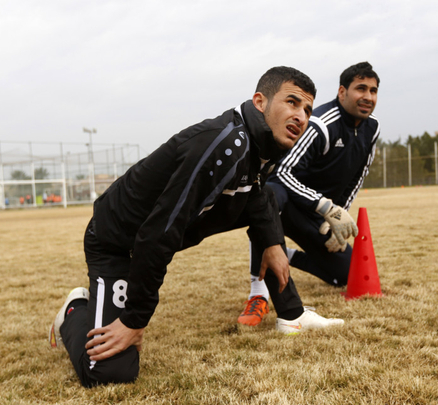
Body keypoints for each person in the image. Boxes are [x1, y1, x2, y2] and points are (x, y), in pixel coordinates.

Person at [49, 66, 344, 388]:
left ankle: (292, 314)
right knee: (110, 373)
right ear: (260, 101)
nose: (301, 116)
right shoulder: (224, 144)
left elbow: (258, 194)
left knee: (271, 199)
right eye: (292, 102)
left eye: (307, 109)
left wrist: (273, 244)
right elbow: (158, 232)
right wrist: (135, 320)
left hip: (153, 237)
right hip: (119, 242)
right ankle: (75, 309)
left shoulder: (266, 144)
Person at [238, 62, 380, 327]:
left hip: (315, 211)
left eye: (373, 90)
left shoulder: (372, 129)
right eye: (361, 89)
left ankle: (284, 253)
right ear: (342, 92)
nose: (368, 97)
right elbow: (283, 173)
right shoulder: (320, 124)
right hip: (288, 200)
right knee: (270, 196)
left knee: (346, 272)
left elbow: (356, 179)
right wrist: (326, 206)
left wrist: (338, 214)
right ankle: (258, 293)